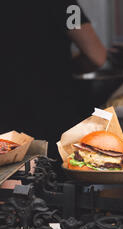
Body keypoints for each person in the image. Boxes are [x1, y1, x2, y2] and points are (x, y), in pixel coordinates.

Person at [1, 1, 107, 158]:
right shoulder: (66, 5)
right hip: (52, 112)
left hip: (6, 117)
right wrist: (63, 68)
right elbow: (96, 57)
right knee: (54, 177)